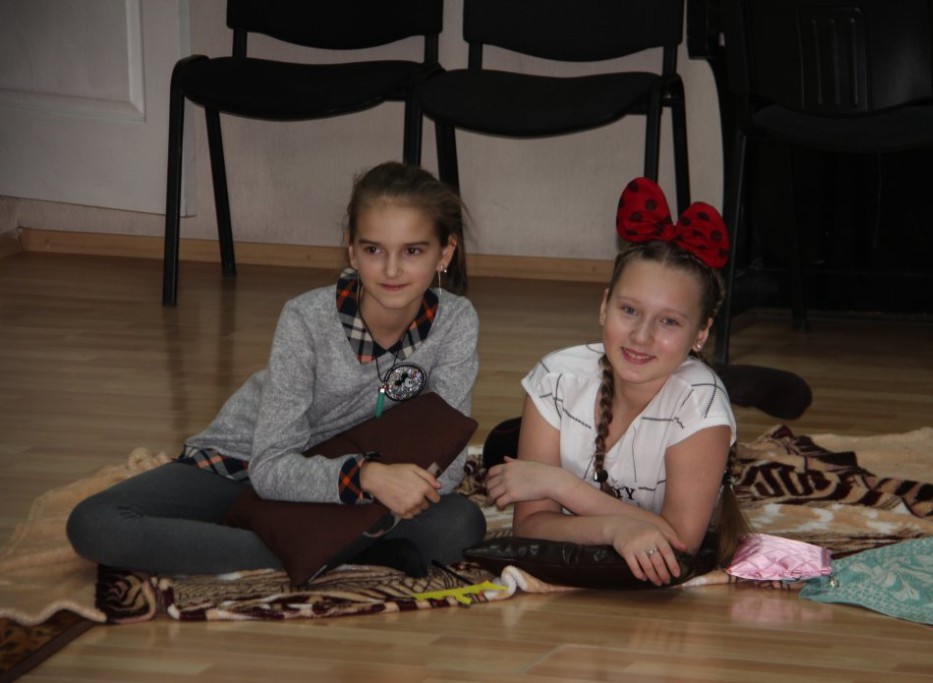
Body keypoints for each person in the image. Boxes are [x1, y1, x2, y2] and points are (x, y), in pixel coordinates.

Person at [67, 161, 485, 577]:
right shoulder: (305, 317)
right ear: (352, 250)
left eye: (413, 251)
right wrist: (367, 477)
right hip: (250, 466)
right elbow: (270, 469)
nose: (392, 269)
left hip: (351, 489)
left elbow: (446, 464)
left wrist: (388, 482)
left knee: (459, 527)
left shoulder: (456, 321)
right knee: (96, 524)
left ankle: (296, 547)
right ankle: (320, 551)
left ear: (445, 253)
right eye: (374, 249)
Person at [485, 177, 749, 586]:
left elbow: (681, 544)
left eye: (669, 321)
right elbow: (531, 527)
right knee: (499, 448)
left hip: (672, 407)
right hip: (565, 419)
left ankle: (750, 384)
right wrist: (615, 529)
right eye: (629, 310)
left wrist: (562, 485)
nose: (641, 336)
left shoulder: (700, 405)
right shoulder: (555, 378)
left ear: (701, 333)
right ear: (604, 304)